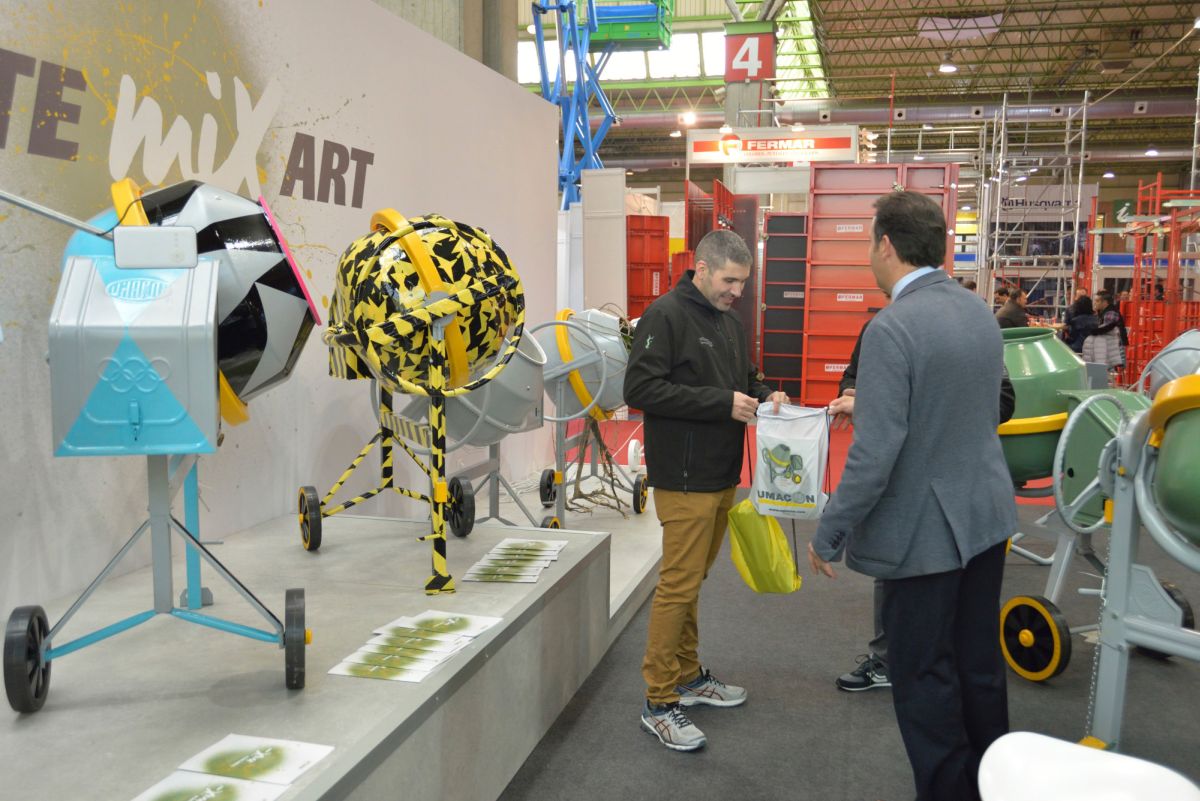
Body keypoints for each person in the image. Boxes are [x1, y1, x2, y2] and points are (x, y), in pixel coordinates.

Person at [808, 191, 1017, 801]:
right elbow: (972, 406)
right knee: (978, 666)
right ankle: (993, 783)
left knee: (923, 677)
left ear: (886, 245)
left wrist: (829, 531)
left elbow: (876, 454)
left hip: (925, 535)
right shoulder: (978, 311)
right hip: (985, 519)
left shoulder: (891, 327)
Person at [624, 228, 788, 752]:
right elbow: (640, 388)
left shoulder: (729, 321)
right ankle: (658, 702)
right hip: (684, 476)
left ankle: (688, 676)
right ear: (702, 269)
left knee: (693, 580)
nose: (736, 291)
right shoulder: (665, 315)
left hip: (721, 475)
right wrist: (722, 403)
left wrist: (766, 393)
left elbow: (745, 377)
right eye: (729, 281)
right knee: (678, 585)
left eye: (742, 283)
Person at [831, 312, 1016, 695]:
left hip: (961, 480)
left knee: (955, 576)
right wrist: (855, 393)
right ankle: (888, 661)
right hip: (902, 477)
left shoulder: (974, 327)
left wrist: (894, 406)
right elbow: (852, 377)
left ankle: (940, 665)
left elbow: (1004, 401)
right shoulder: (881, 328)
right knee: (891, 569)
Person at [1084, 290, 1124, 374]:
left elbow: (1105, 329)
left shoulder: (1111, 313)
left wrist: (1091, 331)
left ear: (1105, 302)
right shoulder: (1102, 313)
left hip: (1111, 348)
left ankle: (1097, 371)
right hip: (1108, 347)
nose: (1095, 303)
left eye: (1097, 301)